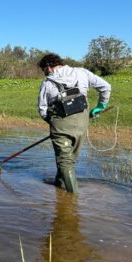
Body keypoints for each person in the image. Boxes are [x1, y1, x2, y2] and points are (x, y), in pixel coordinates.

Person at [38, 53, 111, 193]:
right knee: (69, 160)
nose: (44, 73)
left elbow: (42, 110)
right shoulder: (82, 73)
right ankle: (59, 185)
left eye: (43, 70)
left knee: (65, 161)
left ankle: (73, 198)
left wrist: (53, 124)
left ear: (48, 66)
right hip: (82, 123)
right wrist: (101, 106)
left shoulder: (47, 83)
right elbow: (106, 87)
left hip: (59, 125)